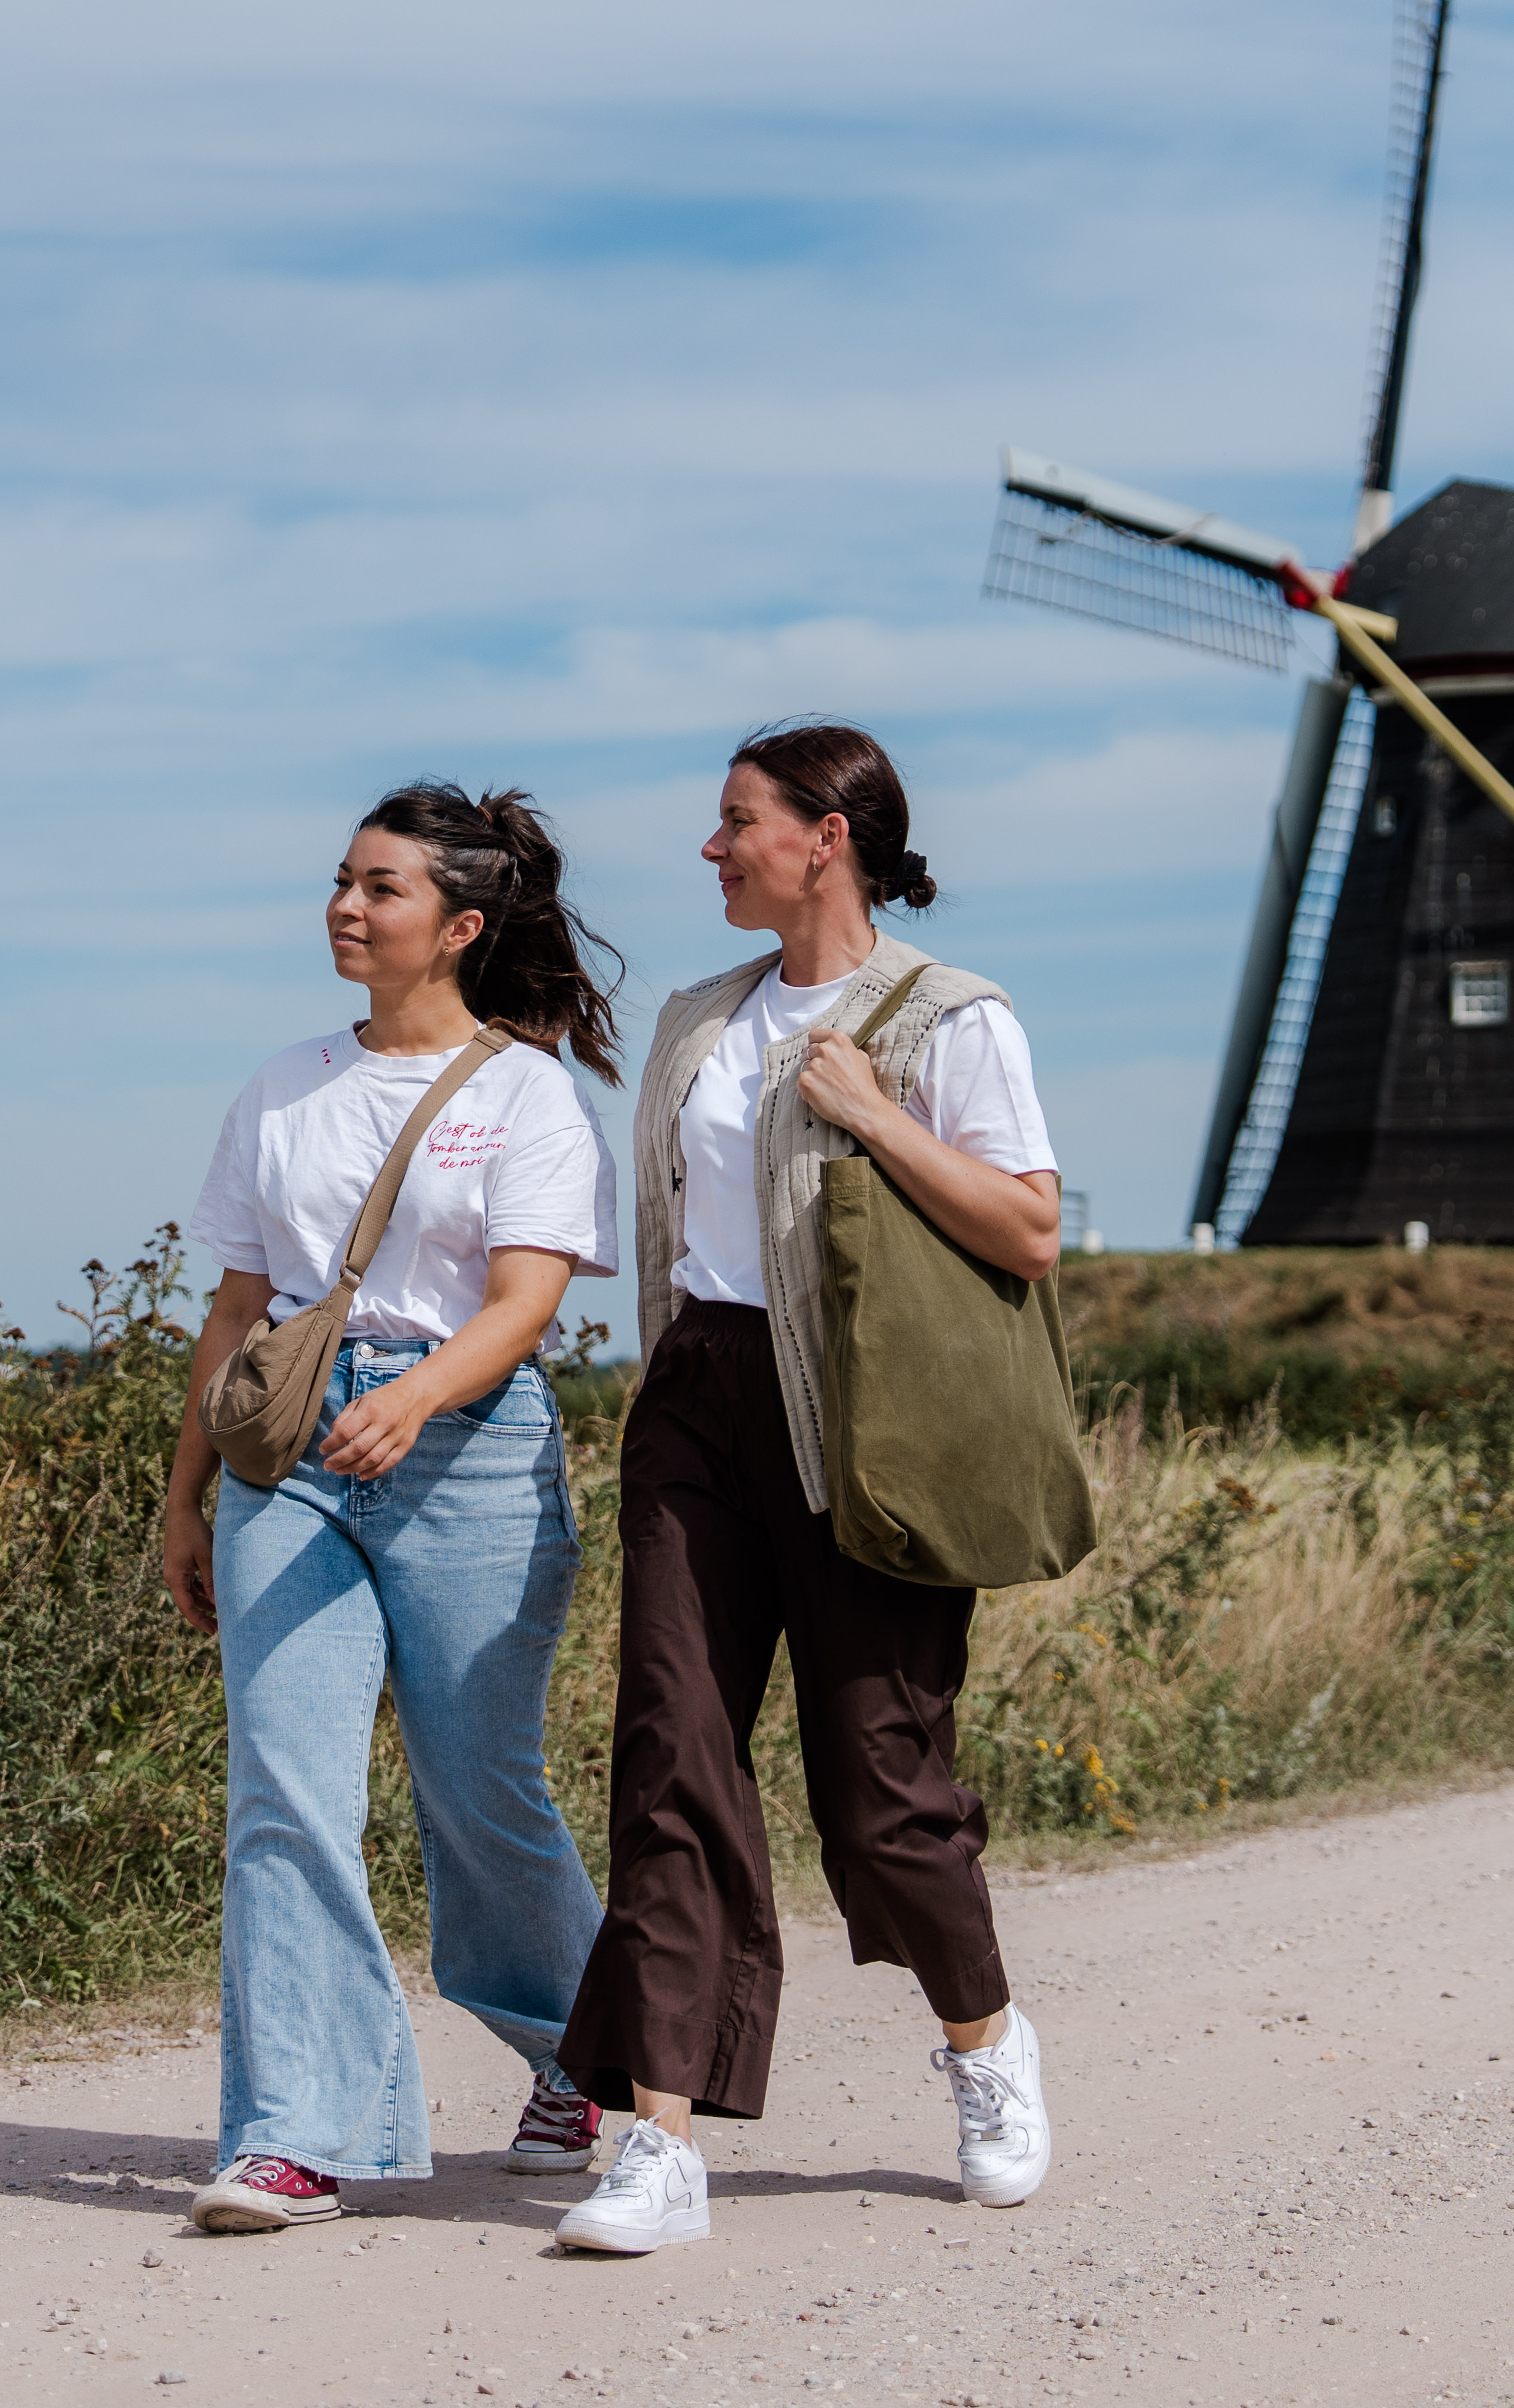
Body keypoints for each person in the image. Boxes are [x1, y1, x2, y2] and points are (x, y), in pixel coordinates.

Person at [552, 720, 1062, 2255]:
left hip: (868, 1420)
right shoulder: (699, 1021)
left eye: (736, 821)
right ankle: (658, 2141)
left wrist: (875, 1116)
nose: (712, 848)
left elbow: (1028, 1232)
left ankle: (984, 2041)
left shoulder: (948, 1017)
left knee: (880, 1789)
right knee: (670, 1755)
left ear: (825, 837)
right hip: (699, 1398)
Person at [163, 782, 627, 2233]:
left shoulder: (526, 1094)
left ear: (461, 926)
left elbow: (524, 1302)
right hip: (289, 1455)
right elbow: (236, 1309)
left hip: (468, 1450)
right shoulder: (281, 1086)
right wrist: (183, 1499)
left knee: (477, 1789)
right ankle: (297, 2134)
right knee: (282, 1789)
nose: (345, 908)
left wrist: (415, 1399)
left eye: (381, 888)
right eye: (342, 881)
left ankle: (583, 2051)